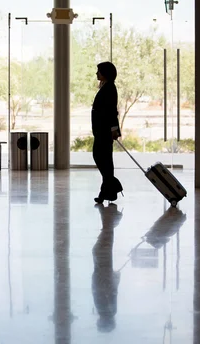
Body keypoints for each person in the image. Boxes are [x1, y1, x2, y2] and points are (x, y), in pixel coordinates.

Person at [92, 61, 123, 203]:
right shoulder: (106, 87)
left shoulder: (110, 88)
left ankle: (111, 187)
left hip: (104, 131)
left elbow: (111, 111)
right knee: (104, 160)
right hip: (101, 130)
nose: (96, 73)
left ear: (105, 73)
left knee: (101, 158)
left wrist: (114, 130)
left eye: (98, 71)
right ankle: (109, 191)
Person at [92, 203, 123, 333]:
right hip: (102, 268)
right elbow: (106, 291)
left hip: (103, 268)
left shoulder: (107, 310)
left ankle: (110, 213)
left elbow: (110, 291)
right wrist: (114, 278)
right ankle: (109, 213)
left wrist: (116, 277)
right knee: (106, 237)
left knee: (106, 236)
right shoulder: (106, 310)